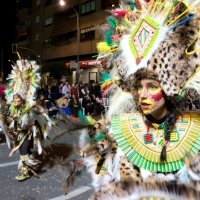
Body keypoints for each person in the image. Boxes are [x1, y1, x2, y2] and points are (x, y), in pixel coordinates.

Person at [56, 1, 200, 199]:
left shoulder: (194, 131)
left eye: (152, 86)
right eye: (139, 87)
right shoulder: (119, 131)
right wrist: (101, 166)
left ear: (168, 88)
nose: (143, 94)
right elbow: (103, 178)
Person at [0, 59, 52, 181]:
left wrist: (25, 112)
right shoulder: (15, 84)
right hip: (18, 120)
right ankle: (31, 166)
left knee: (23, 146)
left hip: (28, 123)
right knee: (24, 147)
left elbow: (32, 101)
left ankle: (25, 169)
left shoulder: (30, 86)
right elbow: (11, 99)